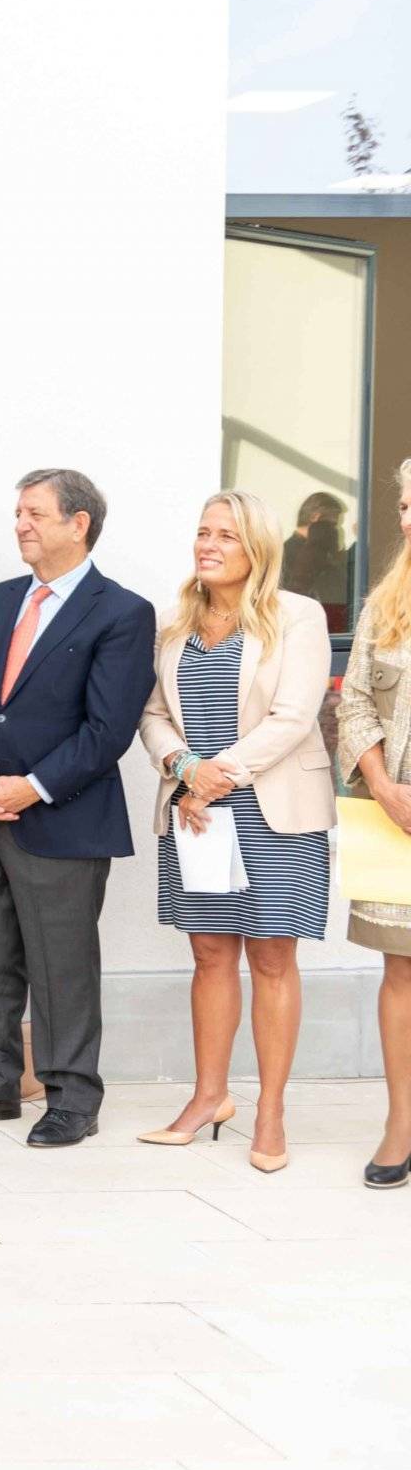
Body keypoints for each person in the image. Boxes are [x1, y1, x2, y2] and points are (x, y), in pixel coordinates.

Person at [0, 468, 156, 1148]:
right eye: (18, 512)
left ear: (78, 522)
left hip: (61, 818)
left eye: (34, 512)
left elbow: (106, 730)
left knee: (62, 967)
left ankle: (71, 1098)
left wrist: (30, 786)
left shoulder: (122, 612)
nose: (20, 524)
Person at [137, 492, 333, 1173]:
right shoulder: (173, 622)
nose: (207, 544)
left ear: (259, 549)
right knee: (210, 956)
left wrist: (218, 773)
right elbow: (153, 713)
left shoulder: (297, 616)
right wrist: (184, 768)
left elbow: (294, 714)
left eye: (225, 534)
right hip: (196, 806)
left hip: (271, 806)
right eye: (202, 532)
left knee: (273, 959)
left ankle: (271, 1111)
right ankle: (207, 1098)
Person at [336, 458, 411, 1190]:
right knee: (402, 970)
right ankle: (401, 1121)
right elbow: (354, 702)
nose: (408, 517)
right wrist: (384, 785)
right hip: (398, 822)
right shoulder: (384, 604)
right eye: (406, 505)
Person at [284, 490, 352, 631]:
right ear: (315, 518)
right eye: (331, 526)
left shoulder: (324, 554)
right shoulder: (289, 554)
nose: (335, 531)